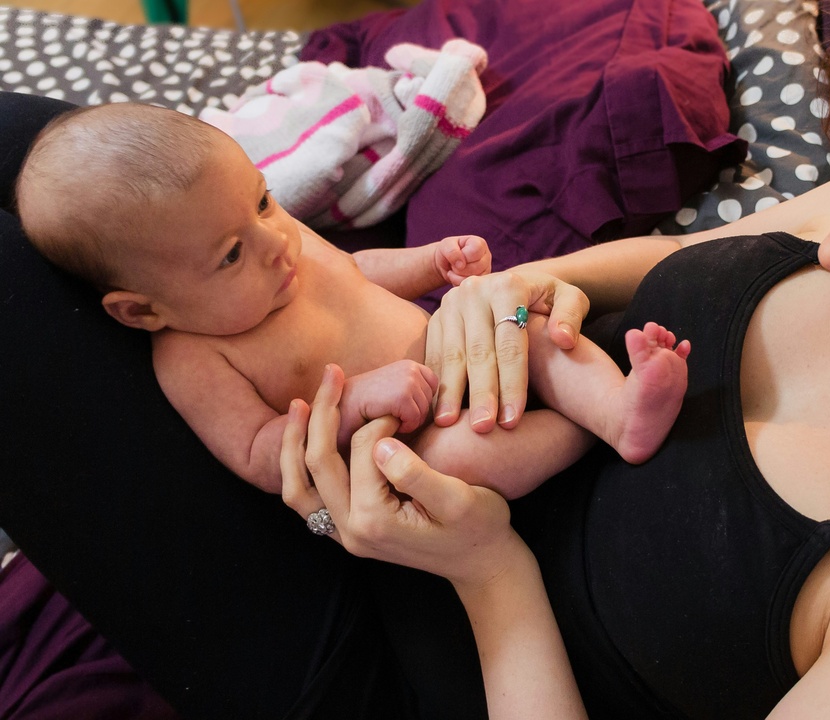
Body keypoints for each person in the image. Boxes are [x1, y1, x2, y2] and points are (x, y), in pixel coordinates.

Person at [0, 0, 830, 718]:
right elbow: (619, 269)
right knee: (68, 169)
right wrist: (493, 298)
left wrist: (490, 574)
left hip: (389, 645)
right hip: (426, 434)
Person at [13, 102, 692, 498]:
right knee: (458, 464)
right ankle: (586, 435)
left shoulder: (271, 239)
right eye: (229, 255)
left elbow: (357, 270)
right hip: (419, 435)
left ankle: (617, 411)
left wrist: (429, 263)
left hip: (458, 349)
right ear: (143, 309)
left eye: (263, 199)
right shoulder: (191, 357)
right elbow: (259, 451)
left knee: (535, 328)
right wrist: (358, 400)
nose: (277, 242)